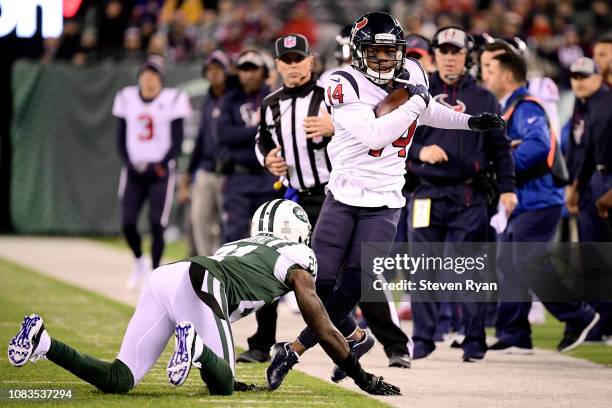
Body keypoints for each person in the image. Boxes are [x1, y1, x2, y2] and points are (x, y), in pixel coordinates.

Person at [266, 11, 506, 389]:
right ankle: (357, 338)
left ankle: (293, 349)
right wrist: (416, 101)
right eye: (375, 52)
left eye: (390, 51)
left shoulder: (410, 73)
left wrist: (469, 122)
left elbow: (425, 111)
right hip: (343, 194)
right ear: (359, 52)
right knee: (320, 282)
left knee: (356, 284)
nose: (384, 59)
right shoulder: (341, 82)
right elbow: (376, 135)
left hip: (386, 200)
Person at [7, 200, 400, 397]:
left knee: (119, 379)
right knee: (224, 385)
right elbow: (324, 328)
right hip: (202, 283)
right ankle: (194, 346)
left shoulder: (245, 244)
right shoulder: (300, 258)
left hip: (169, 276)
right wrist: (361, 377)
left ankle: (43, 342)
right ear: (296, 229)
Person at [406, 26, 516, 362]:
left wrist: (507, 189)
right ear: (435, 54)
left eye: (455, 51)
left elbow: (501, 149)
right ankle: (422, 340)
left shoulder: (485, 97)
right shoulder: (414, 94)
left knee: (469, 271)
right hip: (425, 193)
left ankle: (473, 341)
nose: (449, 57)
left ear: (466, 55)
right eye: (443, 50)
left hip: (469, 196)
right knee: (422, 270)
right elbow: (388, 139)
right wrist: (420, 151)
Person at [483, 52, 600, 354]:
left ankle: (578, 314)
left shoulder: (526, 106)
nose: (485, 75)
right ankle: (515, 334)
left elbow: (537, 144)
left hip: (539, 198)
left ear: (507, 76)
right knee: (509, 262)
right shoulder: (508, 108)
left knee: (527, 261)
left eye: (489, 69)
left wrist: (502, 164)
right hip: (524, 201)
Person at [236, 34, 333, 364]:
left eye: (298, 59)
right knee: (268, 265)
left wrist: (333, 126)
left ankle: (357, 337)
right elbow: (261, 141)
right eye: (286, 60)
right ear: (277, 66)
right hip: (292, 197)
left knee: (332, 272)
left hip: (332, 194)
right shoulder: (271, 103)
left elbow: (360, 129)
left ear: (310, 61)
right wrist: (267, 159)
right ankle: (262, 343)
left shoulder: (330, 96)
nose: (293, 65)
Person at [112, 55, 192, 290]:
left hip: (160, 172)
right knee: (127, 222)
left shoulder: (173, 99)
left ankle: (155, 272)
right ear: (139, 78)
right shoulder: (126, 98)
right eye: (146, 75)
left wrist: (161, 163)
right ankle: (139, 261)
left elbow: (177, 140)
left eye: (154, 75)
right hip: (134, 171)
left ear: (161, 80)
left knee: (158, 224)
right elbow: (120, 137)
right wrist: (129, 162)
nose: (149, 80)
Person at [217, 49, 278, 244]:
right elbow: (224, 134)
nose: (249, 73)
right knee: (233, 237)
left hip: (268, 180)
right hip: (238, 180)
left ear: (264, 72)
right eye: (244, 69)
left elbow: (277, 134)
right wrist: (258, 130)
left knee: (269, 239)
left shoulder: (274, 98)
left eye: (254, 69)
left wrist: (242, 134)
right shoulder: (229, 100)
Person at [179, 50, 232, 256]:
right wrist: (188, 173)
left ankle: (225, 267)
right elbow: (201, 139)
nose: (213, 74)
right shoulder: (209, 99)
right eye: (209, 70)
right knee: (199, 220)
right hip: (206, 169)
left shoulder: (234, 97)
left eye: (218, 69)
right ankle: (205, 267)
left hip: (229, 171)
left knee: (227, 224)